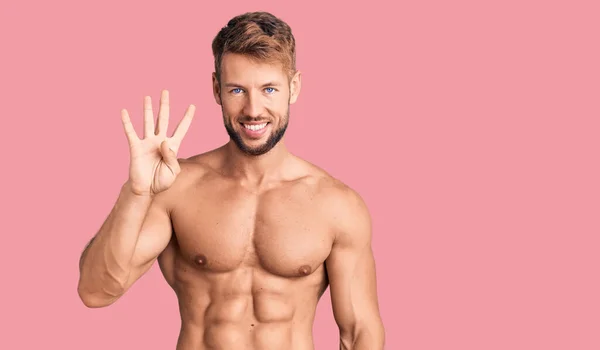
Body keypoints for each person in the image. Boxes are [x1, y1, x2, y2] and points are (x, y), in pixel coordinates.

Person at [77, 11, 385, 350]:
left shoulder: (338, 205)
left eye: (269, 89)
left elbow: (358, 333)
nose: (253, 109)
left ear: (293, 88)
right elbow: (95, 291)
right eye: (237, 89)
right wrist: (135, 193)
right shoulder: (177, 189)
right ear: (216, 89)